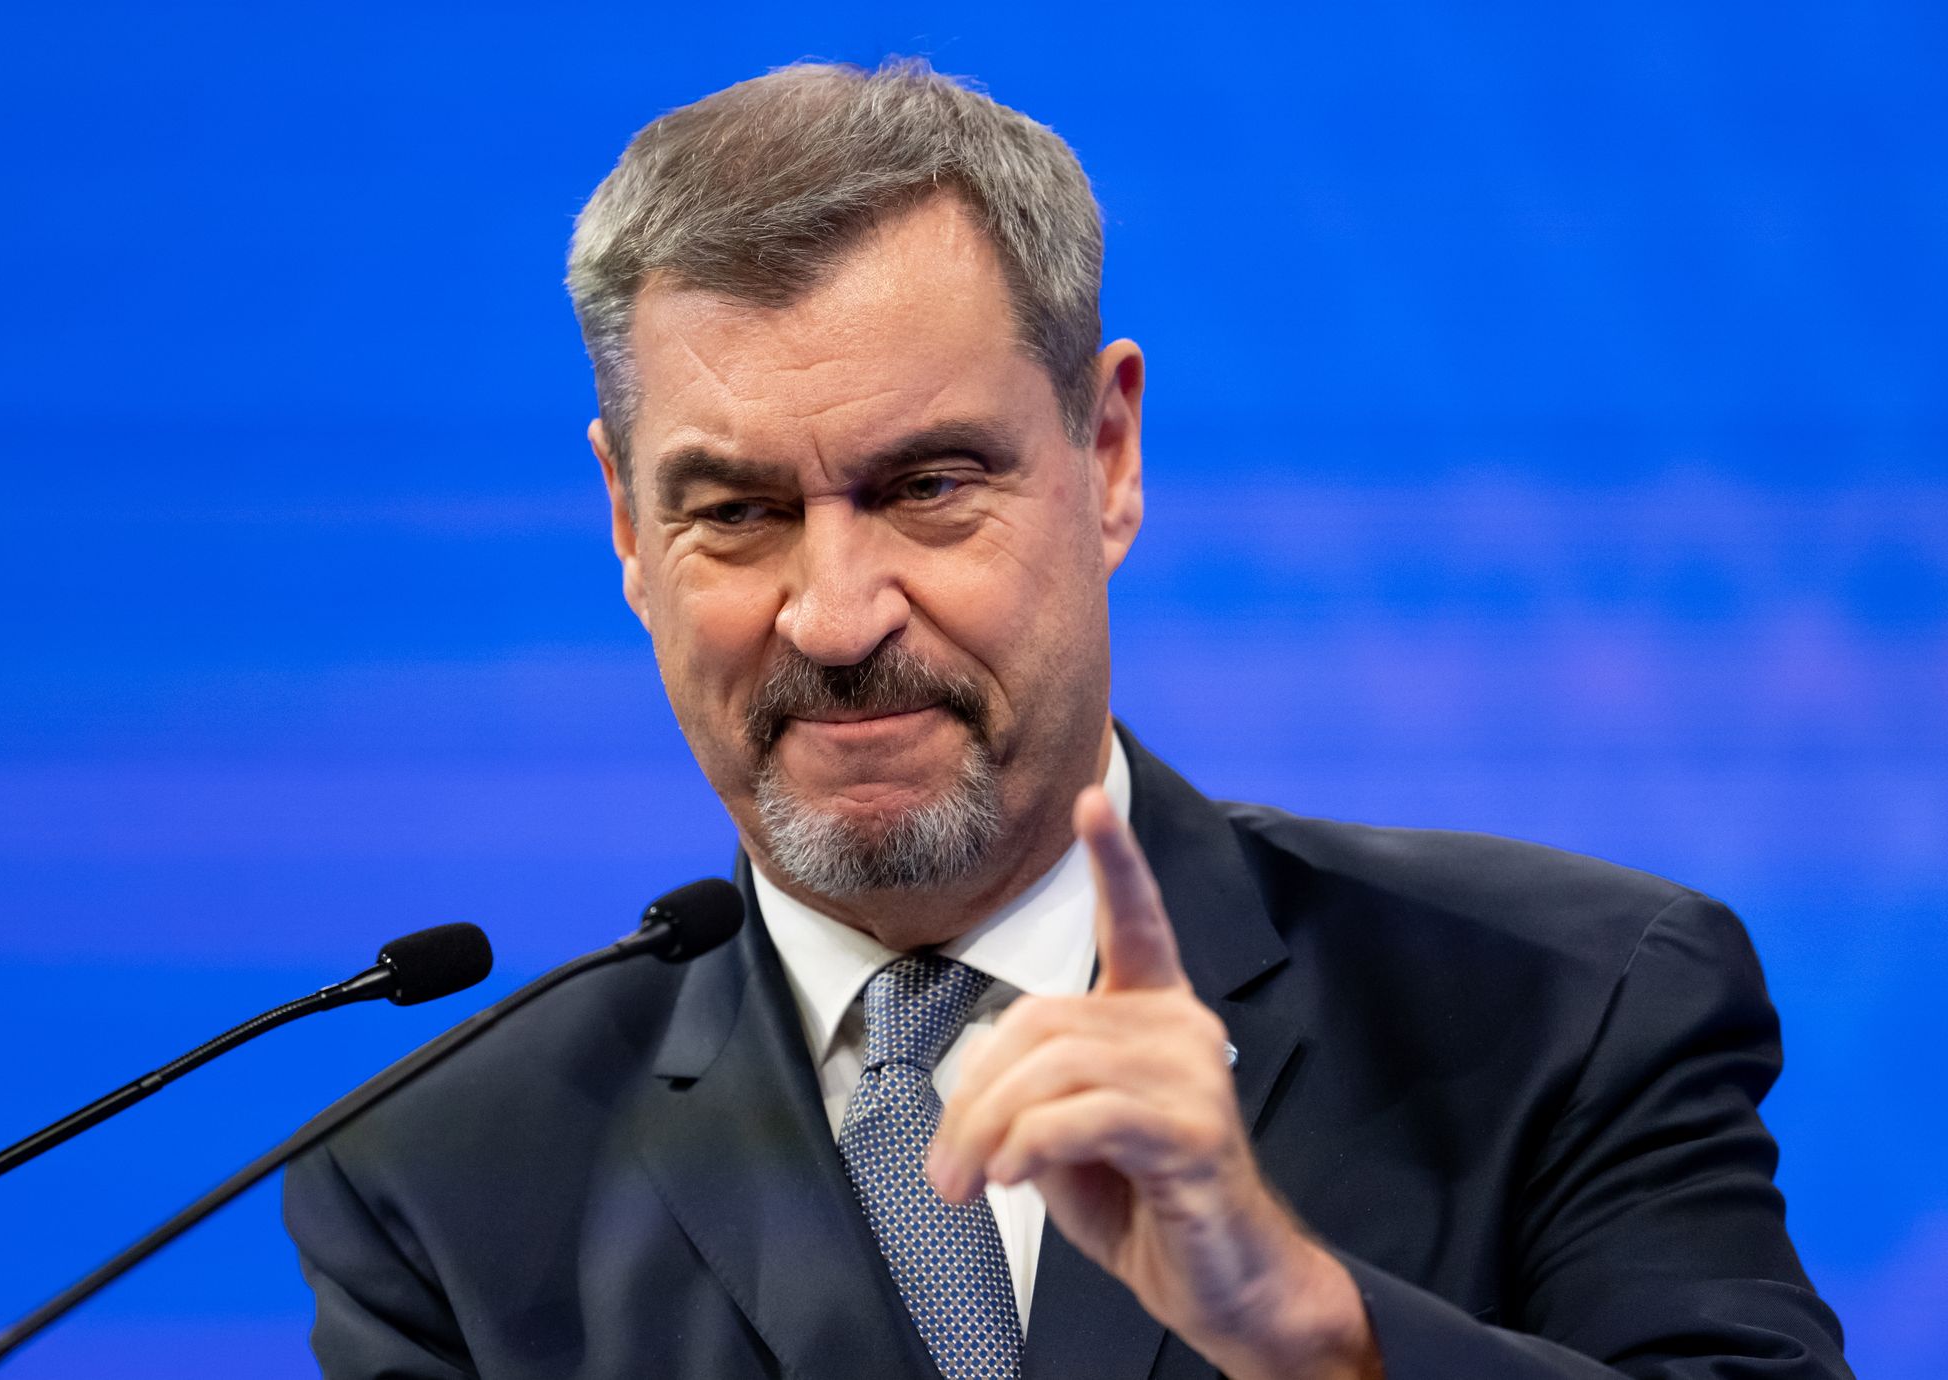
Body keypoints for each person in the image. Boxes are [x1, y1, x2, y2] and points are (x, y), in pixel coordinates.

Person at [283, 60, 1851, 1379]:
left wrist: (1322, 1337)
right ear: (629, 527)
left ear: (1107, 457)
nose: (835, 615)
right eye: (739, 513)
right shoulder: (442, 1178)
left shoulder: (1566, 1005)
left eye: (929, 485)